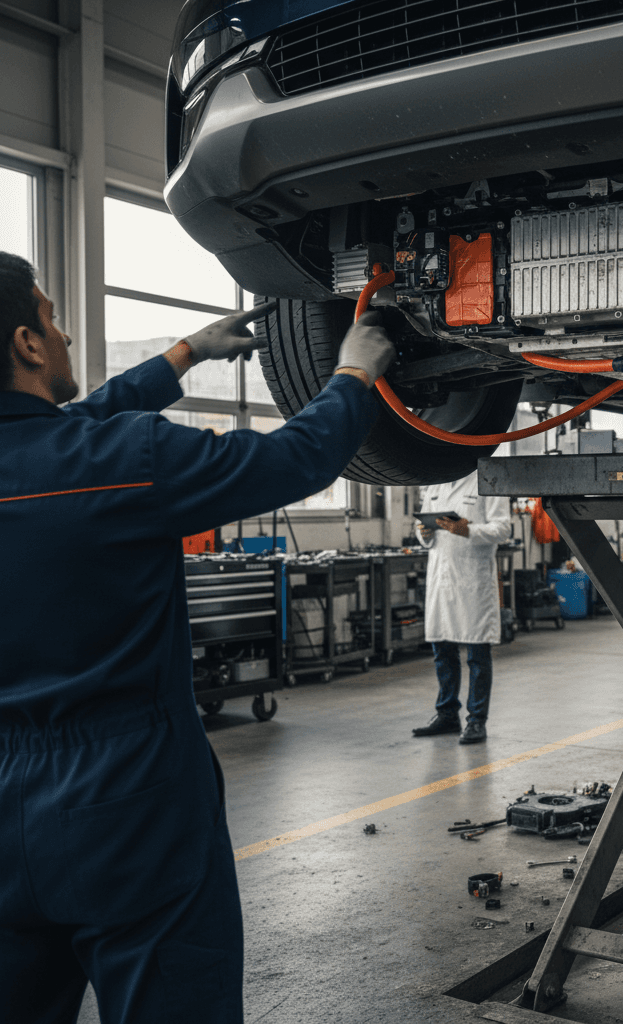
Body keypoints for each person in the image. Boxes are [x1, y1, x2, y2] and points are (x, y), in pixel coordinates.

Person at [0, 251, 394, 1024]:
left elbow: (74, 425)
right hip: (126, 799)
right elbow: (295, 457)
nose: (66, 333)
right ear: (28, 343)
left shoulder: (87, 453)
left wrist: (186, 354)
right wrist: (354, 373)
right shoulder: (125, 457)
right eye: (53, 317)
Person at [414, 470, 511, 744]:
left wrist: (467, 530)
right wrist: (423, 533)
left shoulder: (489, 479)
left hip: (473, 582)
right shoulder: (436, 482)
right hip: (441, 579)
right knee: (442, 651)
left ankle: (477, 720)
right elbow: (422, 528)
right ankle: (447, 714)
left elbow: (503, 529)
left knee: (477, 655)